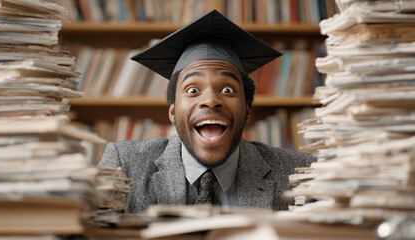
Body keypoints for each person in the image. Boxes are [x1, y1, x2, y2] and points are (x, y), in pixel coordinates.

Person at [99, 10, 316, 213]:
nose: (211, 100)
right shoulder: (124, 167)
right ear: (173, 112)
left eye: (227, 89)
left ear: (247, 110)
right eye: (193, 90)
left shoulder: (299, 173)